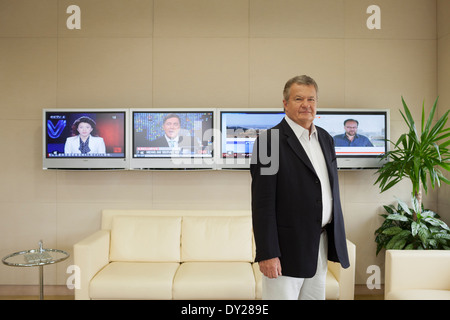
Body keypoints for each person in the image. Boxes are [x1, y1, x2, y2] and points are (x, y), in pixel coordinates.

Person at [250, 75, 350, 300]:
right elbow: (262, 204)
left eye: (311, 99)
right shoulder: (269, 142)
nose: (306, 105)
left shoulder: (326, 139)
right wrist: (268, 253)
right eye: (298, 99)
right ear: (285, 104)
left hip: (319, 244)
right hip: (286, 251)